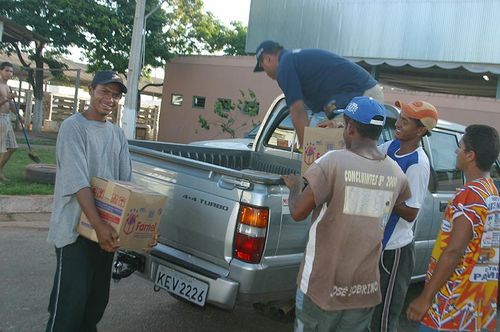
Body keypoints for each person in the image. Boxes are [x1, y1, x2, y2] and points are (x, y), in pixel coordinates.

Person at [282, 96, 411, 332]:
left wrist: (294, 187)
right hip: (364, 289)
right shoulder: (396, 173)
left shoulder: (332, 161)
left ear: (350, 128)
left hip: (322, 286)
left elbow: (298, 211)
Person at [45, 70, 131, 332]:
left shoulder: (116, 135)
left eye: (115, 95)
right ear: (91, 90)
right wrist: (97, 225)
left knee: (94, 307)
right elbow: (77, 181)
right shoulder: (73, 127)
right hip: (75, 232)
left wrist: (138, 229)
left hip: (105, 235)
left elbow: (127, 187)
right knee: (68, 311)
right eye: (105, 91)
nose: (110, 99)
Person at [407, 124, 499, 331]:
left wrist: (425, 297)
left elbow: (453, 251)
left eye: (460, 147)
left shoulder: (470, 195)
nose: (456, 151)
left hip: (450, 307)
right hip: (476, 306)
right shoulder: (491, 191)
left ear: (470, 155)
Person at [370, 101, 439, 332]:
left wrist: (383, 192)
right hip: (376, 245)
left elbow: (411, 212)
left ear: (420, 131)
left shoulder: (418, 164)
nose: (398, 123)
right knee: (367, 312)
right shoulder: (389, 147)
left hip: (395, 252)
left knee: (384, 316)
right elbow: (364, 157)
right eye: (400, 117)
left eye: (405, 121)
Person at [253, 40, 383, 146]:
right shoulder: (295, 60)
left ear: (268, 59)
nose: (266, 73)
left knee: (335, 154)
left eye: (263, 67)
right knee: (332, 147)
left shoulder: (285, 65)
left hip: (362, 96)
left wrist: (305, 149)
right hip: (363, 95)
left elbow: (297, 110)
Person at [0, 61, 18, 181]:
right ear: (0, 71)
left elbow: (10, 104)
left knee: (12, 147)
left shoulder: (7, 86)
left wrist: (18, 115)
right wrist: (8, 98)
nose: (9, 73)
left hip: (6, 118)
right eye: (6, 70)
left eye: (11, 71)